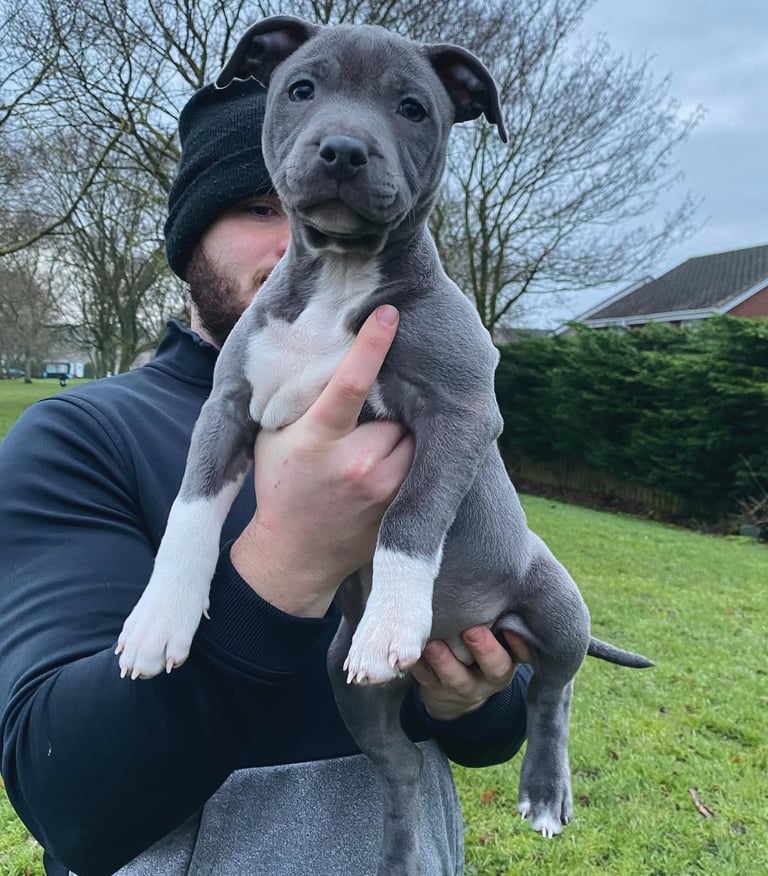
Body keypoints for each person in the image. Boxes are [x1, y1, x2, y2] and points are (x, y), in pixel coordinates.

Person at [0, 79, 531, 876]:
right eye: (262, 205)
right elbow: (66, 799)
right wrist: (290, 556)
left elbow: (489, 730)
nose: (310, 232)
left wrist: (471, 698)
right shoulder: (81, 437)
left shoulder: (425, 418)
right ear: (191, 238)